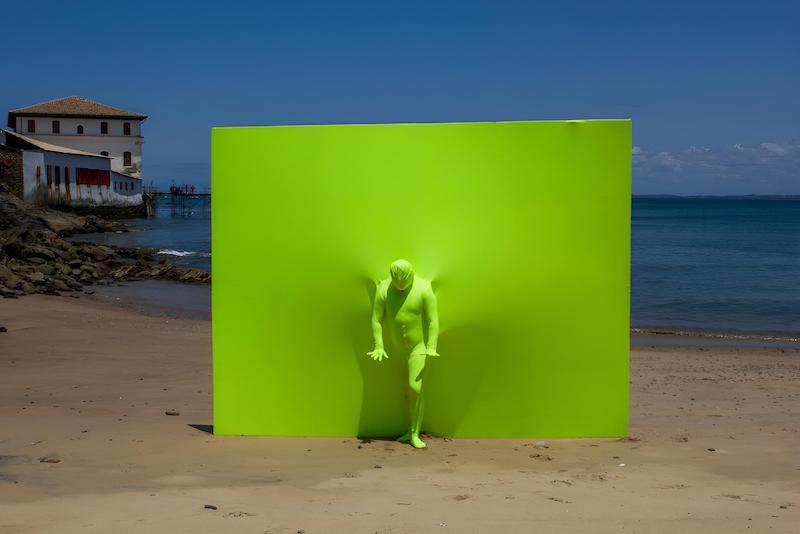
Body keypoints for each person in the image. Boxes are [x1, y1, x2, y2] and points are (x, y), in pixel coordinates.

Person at [368, 259, 439, 449]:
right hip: (397, 349)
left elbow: (433, 320)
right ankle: (410, 429)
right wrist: (379, 345)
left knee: (415, 388)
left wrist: (431, 346)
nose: (400, 287)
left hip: (419, 347)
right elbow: (376, 319)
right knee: (407, 392)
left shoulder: (424, 288)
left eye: (403, 284)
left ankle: (415, 434)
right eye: (396, 283)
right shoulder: (383, 289)